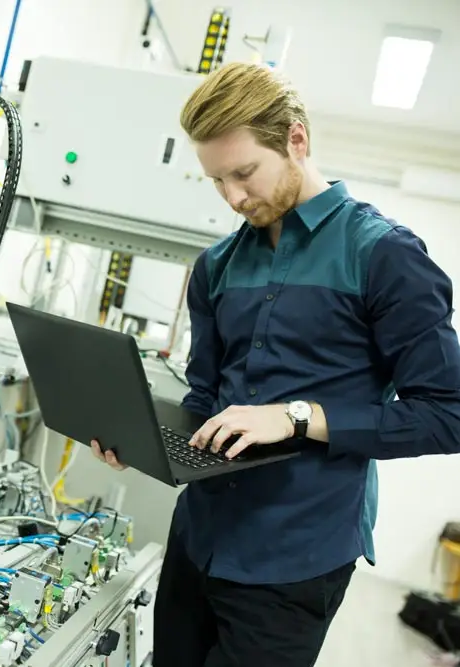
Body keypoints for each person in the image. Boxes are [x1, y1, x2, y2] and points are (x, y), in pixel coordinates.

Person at [90, 62, 460, 666]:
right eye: (216, 181)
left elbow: (448, 414)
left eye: (244, 173)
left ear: (296, 139)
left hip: (295, 558)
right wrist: (143, 438)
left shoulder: (384, 256)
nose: (234, 197)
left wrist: (295, 417)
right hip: (199, 539)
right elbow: (204, 394)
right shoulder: (216, 266)